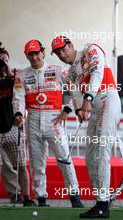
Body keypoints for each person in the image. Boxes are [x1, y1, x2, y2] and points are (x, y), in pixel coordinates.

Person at [51, 36, 121, 218]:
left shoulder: (91, 49)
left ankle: (103, 205)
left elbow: (97, 72)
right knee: (90, 157)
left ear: (71, 45)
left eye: (63, 49)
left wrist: (87, 99)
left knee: (101, 151)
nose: (61, 54)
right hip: (95, 109)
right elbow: (74, 92)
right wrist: (78, 109)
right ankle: (100, 202)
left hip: (107, 99)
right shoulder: (72, 72)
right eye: (57, 53)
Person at [13, 39, 83, 207]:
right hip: (33, 121)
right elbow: (18, 98)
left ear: (43, 52)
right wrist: (18, 114)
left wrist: (67, 110)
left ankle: (75, 198)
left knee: (64, 159)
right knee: (37, 163)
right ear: (27, 56)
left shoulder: (59, 71)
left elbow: (74, 90)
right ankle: (41, 199)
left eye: (37, 53)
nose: (35, 57)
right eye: (31, 54)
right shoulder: (21, 75)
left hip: (54, 121)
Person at [0, 42, 35, 206]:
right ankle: (14, 195)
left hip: (12, 127)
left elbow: (21, 93)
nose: (1, 63)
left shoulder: (15, 78)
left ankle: (27, 197)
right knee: (4, 166)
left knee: (20, 164)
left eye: (4, 60)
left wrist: (8, 69)